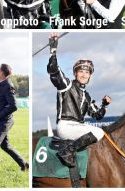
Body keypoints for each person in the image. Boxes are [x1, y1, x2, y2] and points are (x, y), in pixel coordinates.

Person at [47, 32, 111, 167]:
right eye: (81, 71)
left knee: (101, 132)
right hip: (66, 126)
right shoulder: (67, 85)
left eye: (87, 72)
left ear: (90, 76)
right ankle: (66, 152)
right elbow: (54, 71)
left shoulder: (87, 96)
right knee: (99, 132)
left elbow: (97, 116)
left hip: (78, 126)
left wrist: (104, 105)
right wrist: (53, 51)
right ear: (75, 73)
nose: (84, 74)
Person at [0, 55, 28, 177]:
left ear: (2, 73)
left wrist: (0, 115)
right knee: (5, 146)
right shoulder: (1, 82)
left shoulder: (8, 86)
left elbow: (13, 105)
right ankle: (24, 164)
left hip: (4, 122)